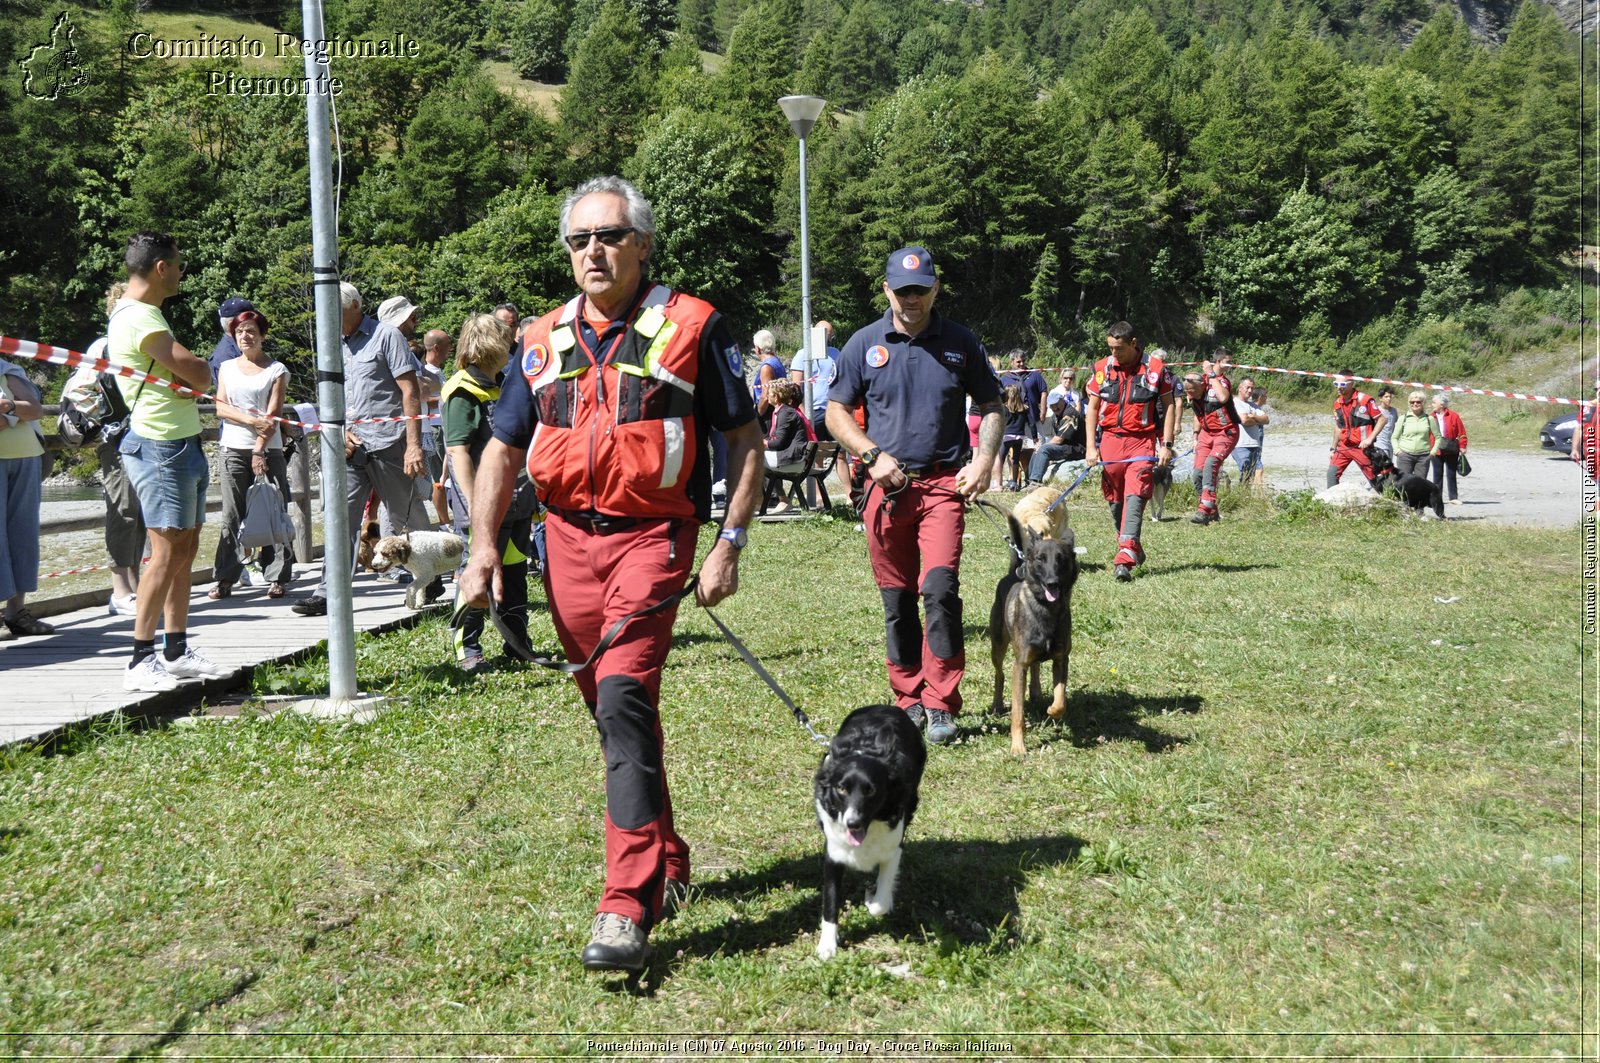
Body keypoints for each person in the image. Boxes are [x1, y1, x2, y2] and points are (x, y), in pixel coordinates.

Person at [458, 175, 763, 974]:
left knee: (625, 694)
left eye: (610, 236)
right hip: (565, 545)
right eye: (579, 240)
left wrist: (729, 538)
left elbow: (743, 436)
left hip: (654, 538)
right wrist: (482, 547)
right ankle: (665, 857)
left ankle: (626, 905)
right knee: (613, 712)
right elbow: (501, 448)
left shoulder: (692, 325)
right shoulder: (539, 337)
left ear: (643, 244)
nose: (593, 251)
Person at [826, 244, 1002, 747]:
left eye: (920, 290)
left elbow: (991, 404)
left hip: (944, 486)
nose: (912, 299)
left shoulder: (961, 342)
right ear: (887, 289)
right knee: (897, 598)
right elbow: (836, 412)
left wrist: (984, 460)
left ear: (935, 288)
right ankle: (907, 698)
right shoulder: (864, 343)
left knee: (940, 590)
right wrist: (869, 456)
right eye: (902, 291)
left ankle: (941, 702)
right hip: (886, 488)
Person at [108, 232, 227, 690]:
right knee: (164, 551)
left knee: (185, 547)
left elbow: (193, 374)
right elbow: (197, 373)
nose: (181, 272)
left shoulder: (146, 314)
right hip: (159, 445)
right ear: (161, 268)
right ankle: (140, 658)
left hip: (182, 441)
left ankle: (175, 649)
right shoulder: (139, 317)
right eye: (177, 265)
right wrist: (207, 368)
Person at [293, 282, 430, 617]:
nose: (330, 318)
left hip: (390, 442)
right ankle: (329, 592)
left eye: (335, 311)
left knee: (405, 516)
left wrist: (413, 445)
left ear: (354, 305)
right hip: (352, 449)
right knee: (341, 519)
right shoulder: (331, 343)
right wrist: (338, 432)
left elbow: (409, 390)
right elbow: (330, 396)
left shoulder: (387, 336)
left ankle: (429, 575)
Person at [442, 313, 531, 673]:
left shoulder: (503, 382)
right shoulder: (462, 391)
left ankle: (516, 641)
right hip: (483, 506)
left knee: (513, 572)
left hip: (518, 501)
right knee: (476, 575)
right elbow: (458, 451)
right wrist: (473, 499)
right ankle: (469, 648)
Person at [61, 282, 146, 616]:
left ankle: (136, 587)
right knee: (122, 510)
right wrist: (105, 419)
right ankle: (119, 590)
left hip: (145, 437)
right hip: (117, 439)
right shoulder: (104, 346)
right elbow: (78, 389)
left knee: (139, 515)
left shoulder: (141, 343)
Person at [1084, 321, 1177, 582]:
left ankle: (1124, 557)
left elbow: (1169, 405)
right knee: (1115, 498)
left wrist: (1166, 443)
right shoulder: (1102, 368)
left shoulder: (1156, 370)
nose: (1114, 353)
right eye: (1110, 348)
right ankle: (1131, 544)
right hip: (1111, 440)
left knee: (1136, 493)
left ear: (1133, 343)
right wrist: (1092, 446)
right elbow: (1091, 409)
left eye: (1119, 348)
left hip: (1141, 441)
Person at [210, 309, 293, 600]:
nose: (245, 336)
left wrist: (259, 447)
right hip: (232, 446)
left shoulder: (277, 370)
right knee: (232, 514)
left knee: (273, 510)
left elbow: (272, 415)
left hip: (267, 449)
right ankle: (225, 577)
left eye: (250, 331)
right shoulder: (227, 368)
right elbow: (221, 408)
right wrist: (250, 420)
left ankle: (277, 575)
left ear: (261, 335)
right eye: (240, 331)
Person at [0, 355, 53, 642]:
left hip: (25, 457)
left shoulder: (8, 368)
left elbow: (34, 408)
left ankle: (16, 612)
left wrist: (7, 409)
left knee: (22, 535)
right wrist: (13, 412)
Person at [1187, 352, 1239, 525]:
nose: (1191, 395)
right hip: (1206, 434)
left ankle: (1203, 511)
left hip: (1226, 432)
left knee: (1211, 465)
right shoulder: (1194, 391)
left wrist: (1211, 373)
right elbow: (1197, 414)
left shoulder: (1218, 381)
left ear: (1203, 386)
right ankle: (1212, 510)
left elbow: (1224, 397)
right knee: (1197, 474)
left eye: (1193, 392)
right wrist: (1195, 436)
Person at [1327, 370, 1383, 488]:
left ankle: (1389, 501)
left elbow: (1382, 420)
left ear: (1351, 383)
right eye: (1335, 384)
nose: (1338, 388)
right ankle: (1332, 503)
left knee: (1375, 479)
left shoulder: (1365, 400)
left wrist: (1369, 440)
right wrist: (1333, 448)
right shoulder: (1337, 403)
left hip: (1361, 448)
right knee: (1332, 474)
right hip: (1344, 447)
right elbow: (1338, 426)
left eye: (1342, 385)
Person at [420, 328, 453, 526]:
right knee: (439, 477)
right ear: (436, 347)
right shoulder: (424, 372)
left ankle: (447, 521)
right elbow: (421, 398)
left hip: (444, 425)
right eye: (448, 345)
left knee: (446, 474)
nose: (451, 350)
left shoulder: (437, 372)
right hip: (435, 427)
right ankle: (444, 523)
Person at [789, 319, 839, 440]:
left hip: (833, 410)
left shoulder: (836, 353)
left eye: (830, 335)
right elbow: (796, 387)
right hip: (813, 412)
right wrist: (804, 412)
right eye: (826, 334)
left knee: (839, 452)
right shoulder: (802, 355)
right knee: (816, 452)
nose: (828, 338)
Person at [1025, 391, 1086, 485]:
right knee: (1037, 450)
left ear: (1062, 400)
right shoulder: (1056, 416)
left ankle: (1035, 482)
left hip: (1077, 448)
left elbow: (1059, 439)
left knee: (1044, 449)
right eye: (1052, 405)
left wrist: (1043, 446)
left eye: (1056, 404)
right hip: (1065, 446)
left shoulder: (1070, 414)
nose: (1054, 408)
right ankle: (1028, 480)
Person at [999, 349, 1047, 441]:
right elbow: (1002, 400)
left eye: (1023, 361)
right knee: (1016, 452)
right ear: (1011, 362)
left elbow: (1043, 392)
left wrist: (1043, 412)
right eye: (1018, 362)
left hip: (1033, 418)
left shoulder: (1034, 375)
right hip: (1014, 423)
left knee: (1038, 448)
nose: (1022, 364)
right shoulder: (1005, 379)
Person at [1429, 393, 1468, 506]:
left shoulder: (1454, 416)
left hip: (1451, 448)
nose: (1432, 404)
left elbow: (1461, 432)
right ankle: (1437, 497)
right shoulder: (1430, 417)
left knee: (1451, 473)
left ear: (1441, 404)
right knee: (1437, 474)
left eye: (1434, 402)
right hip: (1436, 449)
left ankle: (1453, 497)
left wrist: (1463, 446)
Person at [1391, 390, 1436, 478]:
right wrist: (1397, 451)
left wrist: (1433, 453)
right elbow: (1394, 437)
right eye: (1412, 402)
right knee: (1404, 484)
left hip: (1423, 457)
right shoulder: (1403, 418)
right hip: (1405, 456)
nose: (1415, 404)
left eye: (1418, 402)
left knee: (1420, 485)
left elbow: (1438, 437)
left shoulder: (1429, 419)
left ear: (1423, 403)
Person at [1232, 377, 1269, 482]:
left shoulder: (1253, 405)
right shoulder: (1235, 403)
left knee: (1251, 476)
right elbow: (1244, 420)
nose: (1250, 390)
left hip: (1254, 445)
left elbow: (1266, 419)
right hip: (1240, 445)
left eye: (1252, 388)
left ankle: (1246, 496)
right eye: (1247, 387)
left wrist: (1253, 417)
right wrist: (1257, 419)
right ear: (1240, 387)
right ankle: (1241, 495)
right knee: (1245, 473)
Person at [207, 296, 254, 374]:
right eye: (248, 319)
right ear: (231, 324)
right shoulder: (225, 357)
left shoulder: (244, 346)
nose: (255, 323)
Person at [1572, 381, 1600, 510]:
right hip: (1592, 452)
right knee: (1595, 479)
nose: (1598, 391)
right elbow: (1579, 428)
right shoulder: (1589, 407)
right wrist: (1575, 449)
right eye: (1596, 389)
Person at [750, 329, 785, 430]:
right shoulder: (776, 361)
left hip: (768, 414)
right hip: (777, 410)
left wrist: (758, 415)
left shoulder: (767, 367)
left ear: (758, 349)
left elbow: (765, 396)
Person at [999, 384, 1029, 491]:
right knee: (1015, 460)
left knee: (1000, 459)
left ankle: (999, 483)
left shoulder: (1004, 408)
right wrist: (1034, 437)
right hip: (1019, 436)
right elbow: (1031, 423)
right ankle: (1014, 483)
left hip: (1007, 436)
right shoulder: (1024, 408)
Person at [1374, 386, 1399, 458]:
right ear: (1380, 398)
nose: (1389, 399)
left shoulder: (1394, 411)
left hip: (1390, 445)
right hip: (1378, 444)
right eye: (1386, 397)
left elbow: (1395, 427)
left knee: (1388, 468)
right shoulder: (1376, 410)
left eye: (1390, 397)